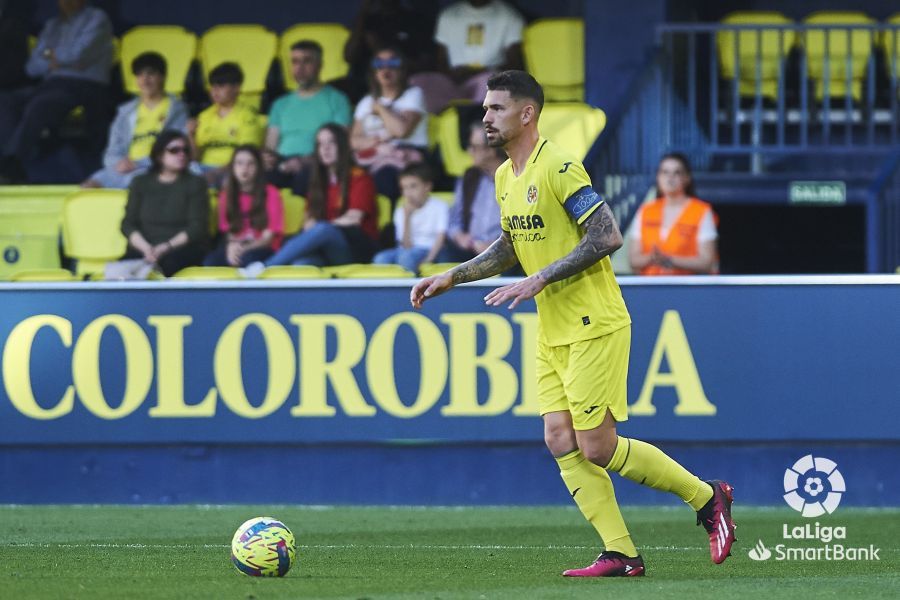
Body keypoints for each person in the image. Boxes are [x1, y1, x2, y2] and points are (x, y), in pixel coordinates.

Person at [410, 71, 736, 578]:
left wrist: (539, 278)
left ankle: (707, 497)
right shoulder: (503, 177)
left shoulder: (559, 165)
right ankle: (621, 552)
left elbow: (606, 236)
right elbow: (512, 244)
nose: (486, 118)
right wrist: (455, 275)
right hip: (554, 327)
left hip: (593, 322)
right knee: (559, 437)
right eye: (485, 109)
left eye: (496, 109)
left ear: (526, 114)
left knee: (597, 446)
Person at [242, 123, 378, 275]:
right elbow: (309, 221)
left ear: (342, 145)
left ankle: (265, 267)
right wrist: (312, 228)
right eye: (320, 144)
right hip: (324, 250)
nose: (325, 148)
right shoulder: (318, 182)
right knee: (302, 264)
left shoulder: (360, 178)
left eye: (331, 142)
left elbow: (353, 219)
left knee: (324, 229)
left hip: (354, 250)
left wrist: (319, 229)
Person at [0, 0, 113, 183]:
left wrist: (50, 55)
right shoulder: (52, 25)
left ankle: (11, 163)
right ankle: (12, 161)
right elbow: (31, 68)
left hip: (84, 85)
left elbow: (79, 54)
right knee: (5, 101)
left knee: (41, 104)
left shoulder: (97, 18)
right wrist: (53, 58)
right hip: (50, 84)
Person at [82, 52, 188, 189]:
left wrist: (139, 163)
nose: (145, 80)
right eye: (139, 75)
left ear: (162, 77)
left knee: (135, 183)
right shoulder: (125, 112)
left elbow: (175, 150)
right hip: (125, 168)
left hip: (155, 168)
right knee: (89, 186)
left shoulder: (177, 109)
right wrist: (118, 164)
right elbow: (112, 150)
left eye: (151, 74)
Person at [264, 40, 352, 193]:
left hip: (317, 162)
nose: (300, 68)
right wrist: (267, 158)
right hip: (283, 162)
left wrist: (304, 161)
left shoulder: (337, 99)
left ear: (320, 65)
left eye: (307, 61)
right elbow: (271, 146)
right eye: (295, 62)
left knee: (305, 176)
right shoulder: (280, 104)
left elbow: (340, 144)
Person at [120, 130, 209, 277]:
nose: (182, 154)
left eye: (185, 150)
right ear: (159, 155)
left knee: (168, 264)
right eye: (174, 150)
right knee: (122, 269)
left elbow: (197, 227)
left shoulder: (196, 183)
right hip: (144, 248)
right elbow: (128, 224)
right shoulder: (140, 182)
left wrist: (165, 247)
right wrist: (146, 249)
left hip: (180, 248)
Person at [411, 0, 525, 114]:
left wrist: (475, 72)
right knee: (419, 81)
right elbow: (441, 61)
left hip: (487, 81)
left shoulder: (509, 15)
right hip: (453, 81)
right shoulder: (449, 15)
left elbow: (514, 64)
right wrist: (454, 75)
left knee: (490, 81)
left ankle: (477, 125)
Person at [350, 47, 428, 200]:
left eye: (393, 63)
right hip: (374, 154)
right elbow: (353, 141)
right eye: (379, 64)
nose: (386, 69)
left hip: (406, 156)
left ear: (402, 69)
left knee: (385, 178)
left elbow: (401, 131)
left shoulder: (413, 94)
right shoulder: (365, 102)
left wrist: (380, 108)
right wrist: (377, 141)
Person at [627, 153, 719, 275]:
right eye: (665, 172)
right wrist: (653, 258)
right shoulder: (646, 210)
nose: (670, 178)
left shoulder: (701, 211)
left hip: (688, 289)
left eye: (677, 172)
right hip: (650, 287)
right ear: (658, 177)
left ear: (687, 178)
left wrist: (670, 260)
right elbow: (633, 260)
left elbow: (707, 262)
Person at [340, 0, 438, 104]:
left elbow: (426, 66)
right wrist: (364, 11)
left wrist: (379, 48)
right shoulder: (368, 21)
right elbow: (348, 56)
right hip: (363, 84)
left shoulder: (415, 21)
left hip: (401, 84)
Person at [204, 146, 284, 268]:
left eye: (250, 164)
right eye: (239, 163)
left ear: (258, 168)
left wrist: (243, 249)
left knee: (248, 259)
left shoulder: (271, 193)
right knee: (210, 262)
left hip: (264, 248)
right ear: (233, 168)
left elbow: (268, 238)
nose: (244, 168)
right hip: (239, 246)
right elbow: (230, 233)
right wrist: (232, 248)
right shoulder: (226, 195)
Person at [189, 62, 264, 187]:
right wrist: (191, 135)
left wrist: (216, 172)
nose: (215, 91)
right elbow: (195, 157)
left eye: (221, 86)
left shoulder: (248, 116)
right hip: (203, 169)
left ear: (236, 87)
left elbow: (247, 156)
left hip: (233, 170)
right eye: (213, 86)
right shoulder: (204, 116)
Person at [438, 122, 504, 263]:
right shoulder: (469, 177)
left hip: (504, 249)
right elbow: (454, 220)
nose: (469, 152)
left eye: (474, 147)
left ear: (491, 150)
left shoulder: (516, 177)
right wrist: (460, 237)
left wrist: (496, 245)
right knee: (444, 256)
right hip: (470, 248)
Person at [373, 162, 448, 273]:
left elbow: (441, 238)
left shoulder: (439, 206)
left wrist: (429, 259)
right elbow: (406, 245)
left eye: (413, 186)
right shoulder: (401, 211)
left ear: (427, 186)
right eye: (404, 188)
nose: (408, 193)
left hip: (428, 249)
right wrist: (407, 217)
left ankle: (414, 288)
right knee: (380, 258)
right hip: (406, 250)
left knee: (406, 258)